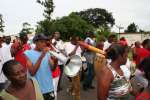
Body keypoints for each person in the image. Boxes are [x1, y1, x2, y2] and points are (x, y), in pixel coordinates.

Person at [24, 34, 55, 100]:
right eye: (41, 42)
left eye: (45, 42)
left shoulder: (47, 53)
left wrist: (56, 60)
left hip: (49, 88)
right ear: (35, 42)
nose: (44, 44)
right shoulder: (27, 53)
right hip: (35, 90)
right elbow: (32, 72)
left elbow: (53, 69)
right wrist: (41, 56)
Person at [63, 36, 82, 100]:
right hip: (72, 66)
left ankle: (70, 89)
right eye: (77, 41)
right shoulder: (68, 45)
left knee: (75, 80)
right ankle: (77, 98)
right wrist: (77, 46)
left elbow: (79, 54)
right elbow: (70, 54)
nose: (78, 42)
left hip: (78, 65)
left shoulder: (77, 45)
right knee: (78, 84)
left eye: (78, 41)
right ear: (73, 40)